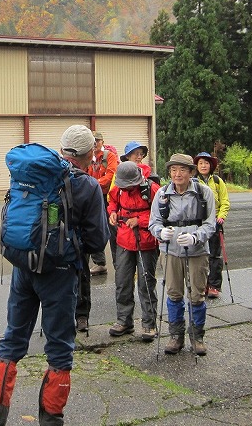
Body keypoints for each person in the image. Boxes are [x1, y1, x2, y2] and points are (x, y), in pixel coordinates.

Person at [0, 125, 109, 426]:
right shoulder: (87, 186)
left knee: (12, 341)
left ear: (62, 149)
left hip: (23, 266)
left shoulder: (35, 174)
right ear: (89, 154)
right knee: (60, 350)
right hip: (60, 274)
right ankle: (50, 422)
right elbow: (97, 241)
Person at [148, 153, 216, 356]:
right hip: (170, 251)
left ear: (191, 172)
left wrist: (196, 237)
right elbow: (153, 222)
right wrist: (160, 233)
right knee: (173, 293)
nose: (177, 174)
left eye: (182, 170)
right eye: (173, 170)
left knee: (197, 294)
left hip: (197, 251)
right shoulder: (162, 194)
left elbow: (210, 224)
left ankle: (197, 337)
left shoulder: (204, 193)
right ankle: (176, 336)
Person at [107, 161, 160, 341]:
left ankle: (149, 324)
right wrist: (113, 212)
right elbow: (112, 201)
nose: (126, 188)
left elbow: (162, 213)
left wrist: (140, 220)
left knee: (146, 284)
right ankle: (124, 321)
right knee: (122, 282)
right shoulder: (119, 188)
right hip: (123, 239)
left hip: (146, 243)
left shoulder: (152, 189)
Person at [193, 152, 229, 299]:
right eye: (200, 163)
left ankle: (214, 285)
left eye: (206, 163)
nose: (203, 166)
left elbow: (225, 201)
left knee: (215, 255)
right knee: (200, 255)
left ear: (211, 165)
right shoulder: (193, 182)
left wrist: (221, 216)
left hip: (215, 222)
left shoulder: (217, 181)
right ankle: (201, 284)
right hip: (199, 223)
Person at [86, 131, 119, 276]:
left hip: (108, 197)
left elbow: (111, 175)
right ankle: (100, 263)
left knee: (113, 229)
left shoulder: (109, 156)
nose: (95, 144)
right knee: (94, 228)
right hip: (93, 195)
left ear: (102, 142)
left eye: (97, 141)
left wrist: (93, 183)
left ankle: (119, 264)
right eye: (92, 141)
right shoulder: (88, 157)